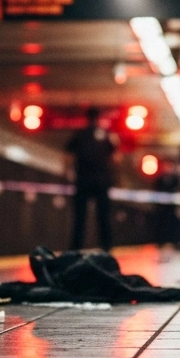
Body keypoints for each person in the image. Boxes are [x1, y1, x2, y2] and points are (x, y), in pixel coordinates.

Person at [65, 107, 117, 251]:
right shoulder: (105, 134)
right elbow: (114, 157)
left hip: (83, 179)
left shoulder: (80, 134)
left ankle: (76, 248)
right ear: (99, 118)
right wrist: (113, 176)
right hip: (101, 180)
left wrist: (67, 173)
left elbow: (68, 155)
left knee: (79, 217)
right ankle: (106, 247)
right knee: (104, 217)